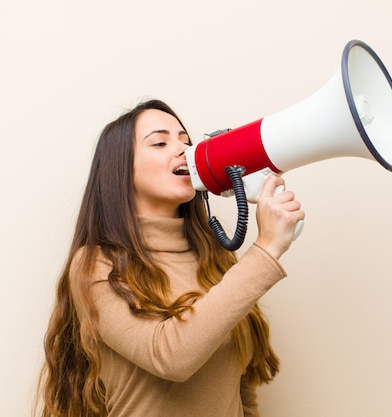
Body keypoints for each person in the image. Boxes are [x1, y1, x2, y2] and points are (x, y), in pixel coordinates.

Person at [37, 99, 305, 417]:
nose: (184, 150)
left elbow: (241, 388)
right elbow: (170, 357)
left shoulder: (215, 258)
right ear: (120, 169)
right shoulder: (97, 264)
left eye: (185, 140)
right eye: (160, 142)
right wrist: (266, 250)